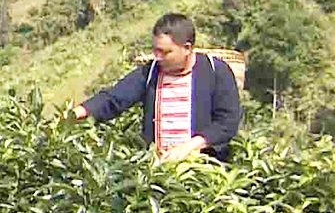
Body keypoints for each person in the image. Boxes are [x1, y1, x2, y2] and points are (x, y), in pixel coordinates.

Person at [71, 12, 242, 162]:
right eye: (155, 50)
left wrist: (192, 145)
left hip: (203, 170)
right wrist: (74, 115)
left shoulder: (215, 71)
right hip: (159, 170)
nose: (157, 57)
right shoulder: (151, 72)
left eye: (165, 52)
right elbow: (114, 99)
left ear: (187, 48)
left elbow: (227, 122)